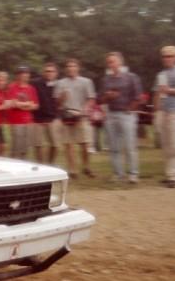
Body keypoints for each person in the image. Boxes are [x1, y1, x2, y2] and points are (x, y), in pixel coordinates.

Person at [99, 52, 142, 183]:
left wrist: (130, 109)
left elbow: (138, 96)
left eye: (113, 61)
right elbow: (100, 99)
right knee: (114, 147)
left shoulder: (131, 77)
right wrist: (108, 96)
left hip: (126, 114)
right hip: (111, 115)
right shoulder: (105, 79)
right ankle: (118, 174)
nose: (111, 64)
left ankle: (133, 174)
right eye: (109, 62)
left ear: (120, 62)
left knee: (130, 146)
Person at [54, 59, 96, 178]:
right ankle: (73, 170)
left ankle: (86, 166)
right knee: (69, 145)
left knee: (85, 144)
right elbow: (57, 102)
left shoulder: (86, 81)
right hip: (66, 116)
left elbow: (91, 98)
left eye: (73, 66)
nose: (71, 68)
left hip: (81, 116)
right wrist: (62, 97)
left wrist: (85, 109)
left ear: (78, 68)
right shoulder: (61, 83)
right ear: (66, 69)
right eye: (68, 66)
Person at [154, 45, 175, 188]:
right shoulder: (161, 74)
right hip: (164, 111)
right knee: (166, 144)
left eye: (170, 56)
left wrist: (170, 90)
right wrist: (155, 110)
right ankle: (169, 174)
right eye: (164, 56)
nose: (167, 58)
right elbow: (157, 93)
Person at [6, 66, 40, 160]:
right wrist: (27, 104)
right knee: (16, 146)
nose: (24, 75)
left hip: (28, 121)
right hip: (16, 121)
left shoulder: (31, 88)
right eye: (22, 73)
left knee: (25, 147)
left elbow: (36, 105)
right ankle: (13, 165)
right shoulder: (12, 87)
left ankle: (23, 165)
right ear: (17, 75)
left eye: (26, 73)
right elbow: (11, 104)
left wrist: (20, 105)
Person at [32, 63, 61, 164]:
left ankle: (50, 164)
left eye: (51, 71)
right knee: (38, 145)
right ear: (43, 72)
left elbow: (60, 102)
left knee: (56, 145)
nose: (49, 73)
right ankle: (41, 166)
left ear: (56, 73)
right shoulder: (35, 83)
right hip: (37, 119)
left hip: (53, 119)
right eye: (47, 71)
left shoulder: (59, 84)